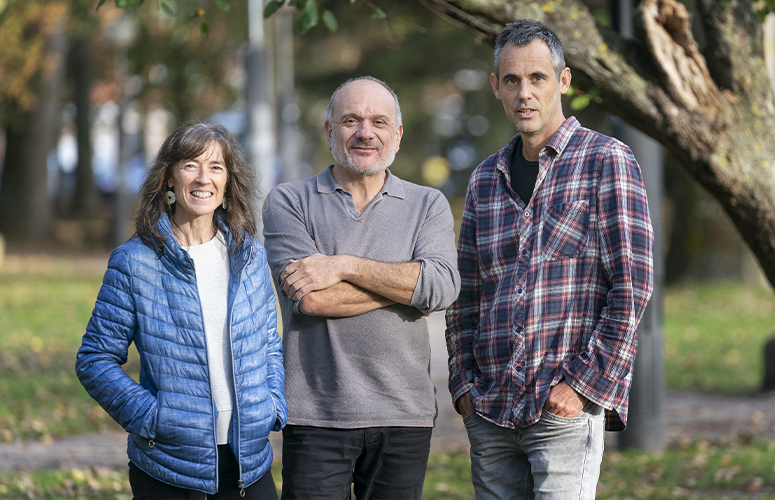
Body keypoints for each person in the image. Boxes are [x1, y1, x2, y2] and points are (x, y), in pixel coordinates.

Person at [446, 20, 654, 499]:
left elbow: (633, 285)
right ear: (496, 86)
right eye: (513, 80)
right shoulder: (484, 179)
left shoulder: (606, 161)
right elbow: (467, 294)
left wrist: (583, 387)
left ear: (563, 81)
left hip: (563, 405)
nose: (525, 93)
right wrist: (464, 389)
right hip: (491, 411)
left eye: (538, 78)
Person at [262, 76, 460, 500]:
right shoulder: (289, 201)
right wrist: (408, 287)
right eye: (351, 120)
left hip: (404, 414)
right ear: (330, 131)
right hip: (317, 414)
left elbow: (442, 288)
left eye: (379, 121)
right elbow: (311, 299)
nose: (365, 132)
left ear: (398, 134)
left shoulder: (428, 205)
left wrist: (342, 265)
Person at [76, 122, 286, 499]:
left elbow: (269, 343)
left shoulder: (250, 255)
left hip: (248, 462)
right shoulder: (134, 262)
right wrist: (154, 419)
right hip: (170, 468)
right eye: (191, 165)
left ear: (227, 184)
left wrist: (271, 407)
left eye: (216, 167)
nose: (204, 178)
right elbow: (95, 359)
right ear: (169, 180)